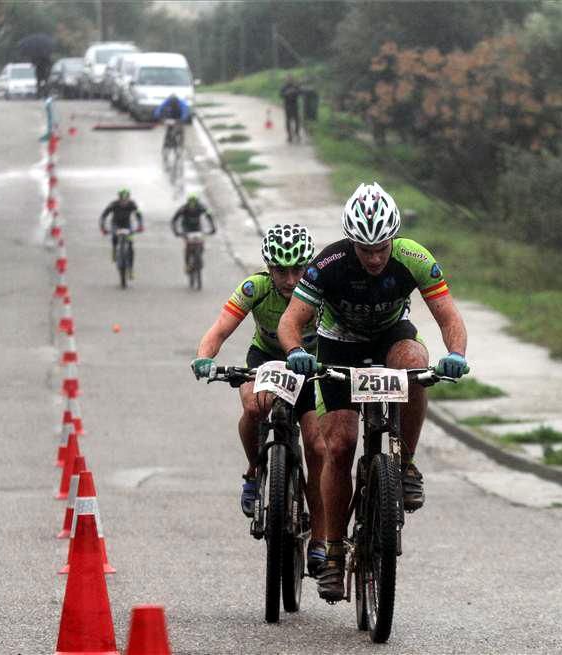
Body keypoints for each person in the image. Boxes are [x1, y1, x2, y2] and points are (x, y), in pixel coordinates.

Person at [278, 182, 469, 601]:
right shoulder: (328, 263)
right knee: (341, 445)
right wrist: (295, 351)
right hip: (338, 345)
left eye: (382, 247)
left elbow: (448, 314)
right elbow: (291, 321)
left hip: (389, 339)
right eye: (365, 250)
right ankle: (331, 553)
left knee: (416, 365)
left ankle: (406, 465)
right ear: (351, 243)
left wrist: (455, 353)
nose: (375, 257)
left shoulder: (415, 257)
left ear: (393, 237)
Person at [191, 224, 328, 576]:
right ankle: (254, 471)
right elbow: (221, 327)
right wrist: (205, 357)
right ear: (269, 268)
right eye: (281, 270)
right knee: (254, 405)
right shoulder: (256, 289)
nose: (290, 278)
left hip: (311, 368)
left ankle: (320, 540)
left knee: (317, 448)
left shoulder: (321, 293)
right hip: (265, 359)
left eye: (298, 269)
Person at [99, 188, 144, 278]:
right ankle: (114, 250)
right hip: (116, 224)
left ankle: (130, 269)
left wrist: (140, 225)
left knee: (130, 244)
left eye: (126, 199)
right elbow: (103, 216)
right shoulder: (113, 204)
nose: (124, 202)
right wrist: (103, 228)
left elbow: (139, 215)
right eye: (122, 200)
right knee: (115, 236)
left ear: (128, 198)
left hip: (127, 225)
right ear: (119, 198)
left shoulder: (132, 204)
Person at [170, 194, 216, 271]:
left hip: (197, 227)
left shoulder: (201, 207)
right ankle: (187, 264)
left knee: (201, 243)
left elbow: (209, 216)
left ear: (197, 203)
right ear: (188, 203)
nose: (192, 207)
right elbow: (174, 219)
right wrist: (176, 231)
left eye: (194, 204)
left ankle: (199, 256)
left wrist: (213, 227)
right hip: (186, 228)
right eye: (190, 204)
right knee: (188, 246)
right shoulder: (183, 208)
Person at [279, 75, 301, 143]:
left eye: (290, 79)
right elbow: (281, 95)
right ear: (286, 80)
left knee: (297, 120)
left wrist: (295, 91)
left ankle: (297, 133)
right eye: (288, 79)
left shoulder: (295, 86)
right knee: (288, 121)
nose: (289, 80)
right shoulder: (284, 87)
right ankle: (289, 136)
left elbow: (299, 92)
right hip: (287, 105)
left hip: (295, 105)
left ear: (292, 80)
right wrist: (287, 93)